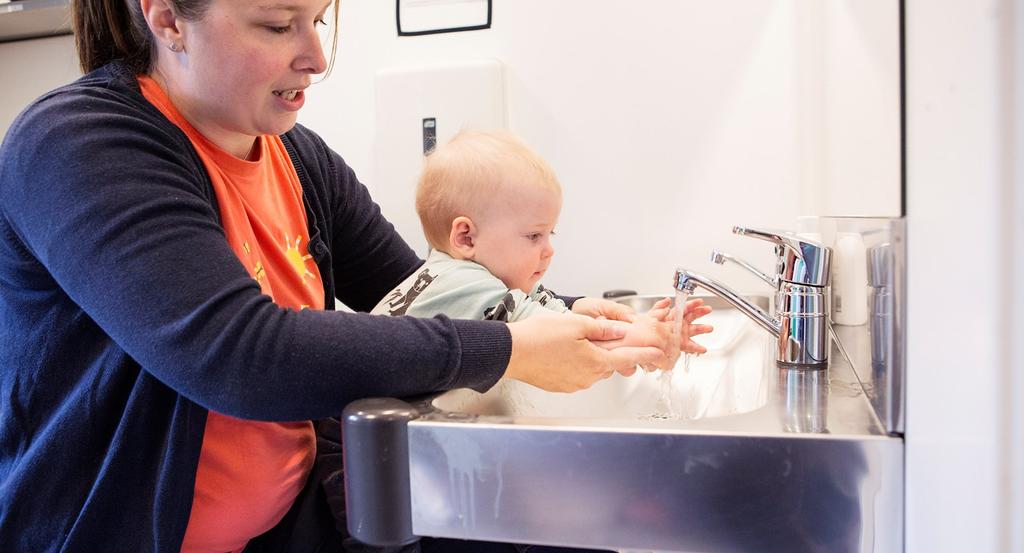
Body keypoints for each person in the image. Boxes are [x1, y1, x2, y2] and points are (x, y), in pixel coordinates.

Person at [0, 0, 678, 552]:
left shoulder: (296, 156)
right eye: (277, 24)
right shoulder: (77, 144)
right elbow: (244, 355)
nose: (316, 58)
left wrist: (562, 316)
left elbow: (426, 294)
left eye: (318, 20)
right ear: (168, 18)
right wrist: (512, 350)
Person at [369, 129, 712, 358]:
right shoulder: (466, 284)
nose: (548, 249)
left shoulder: (472, 277)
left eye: (551, 234)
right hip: (351, 443)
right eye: (534, 236)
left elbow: (553, 313)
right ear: (466, 237)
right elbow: (560, 339)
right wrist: (653, 337)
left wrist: (638, 327)